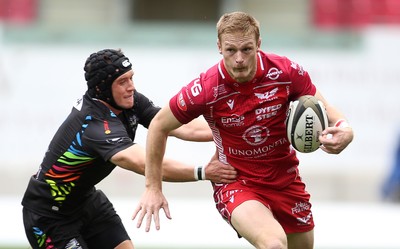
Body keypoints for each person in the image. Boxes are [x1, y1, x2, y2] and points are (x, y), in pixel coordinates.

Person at [133, 11, 354, 249]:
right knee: (274, 245)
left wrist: (344, 128)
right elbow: (158, 125)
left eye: (246, 49)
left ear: (258, 44)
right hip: (237, 181)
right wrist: (153, 187)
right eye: (231, 50)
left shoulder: (285, 72)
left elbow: (324, 107)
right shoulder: (205, 89)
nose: (239, 58)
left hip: (285, 179)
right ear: (219, 47)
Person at [21, 48, 237, 249]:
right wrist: (203, 172)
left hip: (87, 202)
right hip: (48, 217)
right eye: (122, 81)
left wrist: (234, 129)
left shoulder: (129, 101)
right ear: (103, 88)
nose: (131, 86)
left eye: (131, 78)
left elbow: (181, 127)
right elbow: (145, 163)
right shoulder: (94, 124)